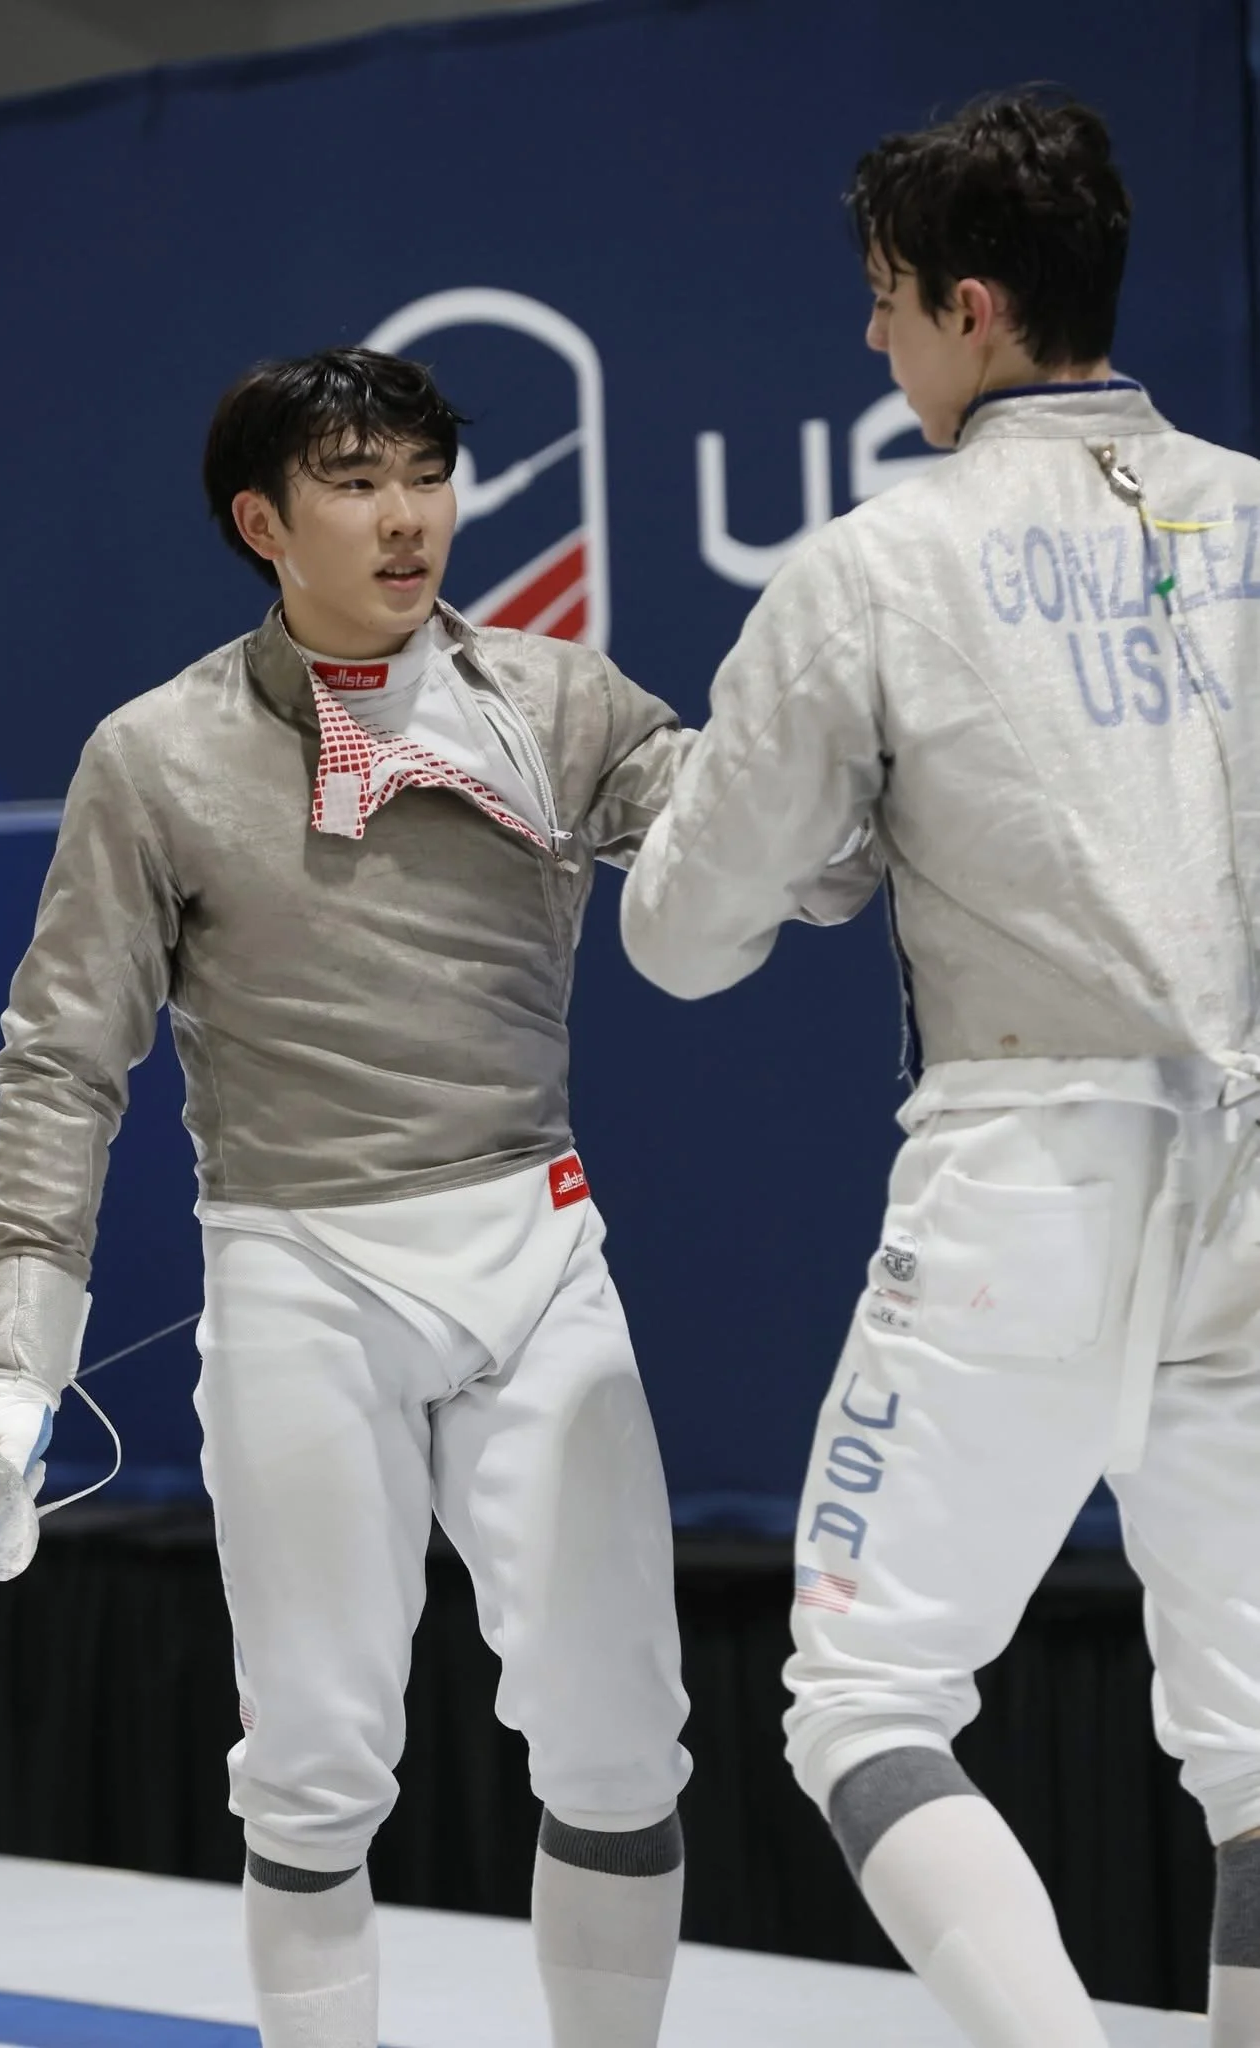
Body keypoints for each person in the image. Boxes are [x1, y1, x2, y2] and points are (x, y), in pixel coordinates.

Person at [0, 344, 716, 2048]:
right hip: (300, 1264)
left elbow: (737, 845)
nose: (405, 516)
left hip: (535, 1241)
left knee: (618, 1734)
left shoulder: (558, 699)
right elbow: (64, 1061)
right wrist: (17, 1383)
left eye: (426, 474)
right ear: (262, 522)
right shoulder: (157, 755)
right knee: (311, 1757)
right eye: (358, 482)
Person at [621, 89, 1260, 2048]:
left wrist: (820, 856)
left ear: (972, 308)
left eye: (885, 301)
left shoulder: (875, 564)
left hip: (1034, 1162)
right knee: (1255, 1740)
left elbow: (682, 929)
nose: (870, 340)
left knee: (865, 1699)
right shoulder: (1254, 507)